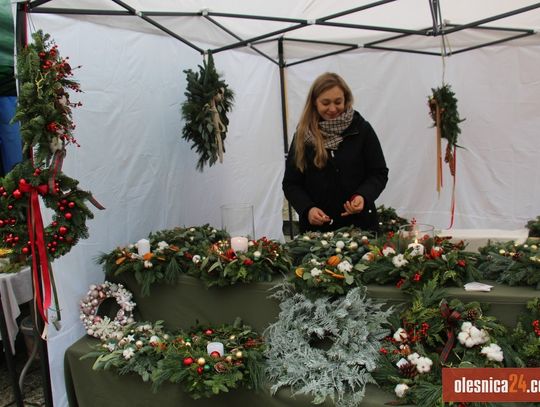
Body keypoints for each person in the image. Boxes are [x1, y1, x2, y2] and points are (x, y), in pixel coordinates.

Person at [282, 72, 388, 233]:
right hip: (316, 234)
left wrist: (363, 196)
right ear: (314, 103)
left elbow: (378, 173)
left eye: (338, 102)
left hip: (361, 230)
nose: (333, 109)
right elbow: (291, 183)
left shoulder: (362, 130)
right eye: (325, 103)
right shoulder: (303, 136)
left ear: (346, 100)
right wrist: (308, 209)